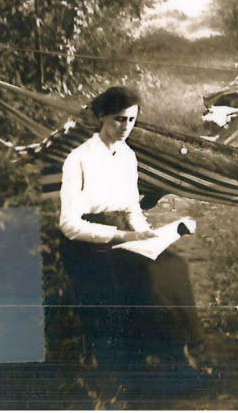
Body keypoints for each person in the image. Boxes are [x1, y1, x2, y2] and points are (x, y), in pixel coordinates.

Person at [58, 85, 200, 366]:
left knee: (173, 265)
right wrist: (122, 234)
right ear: (101, 117)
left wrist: (145, 233)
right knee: (145, 274)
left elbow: (131, 207)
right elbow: (69, 225)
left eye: (132, 120)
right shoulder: (78, 159)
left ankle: (178, 349)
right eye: (119, 119)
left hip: (123, 234)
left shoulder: (127, 156)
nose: (126, 127)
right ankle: (157, 354)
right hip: (88, 243)